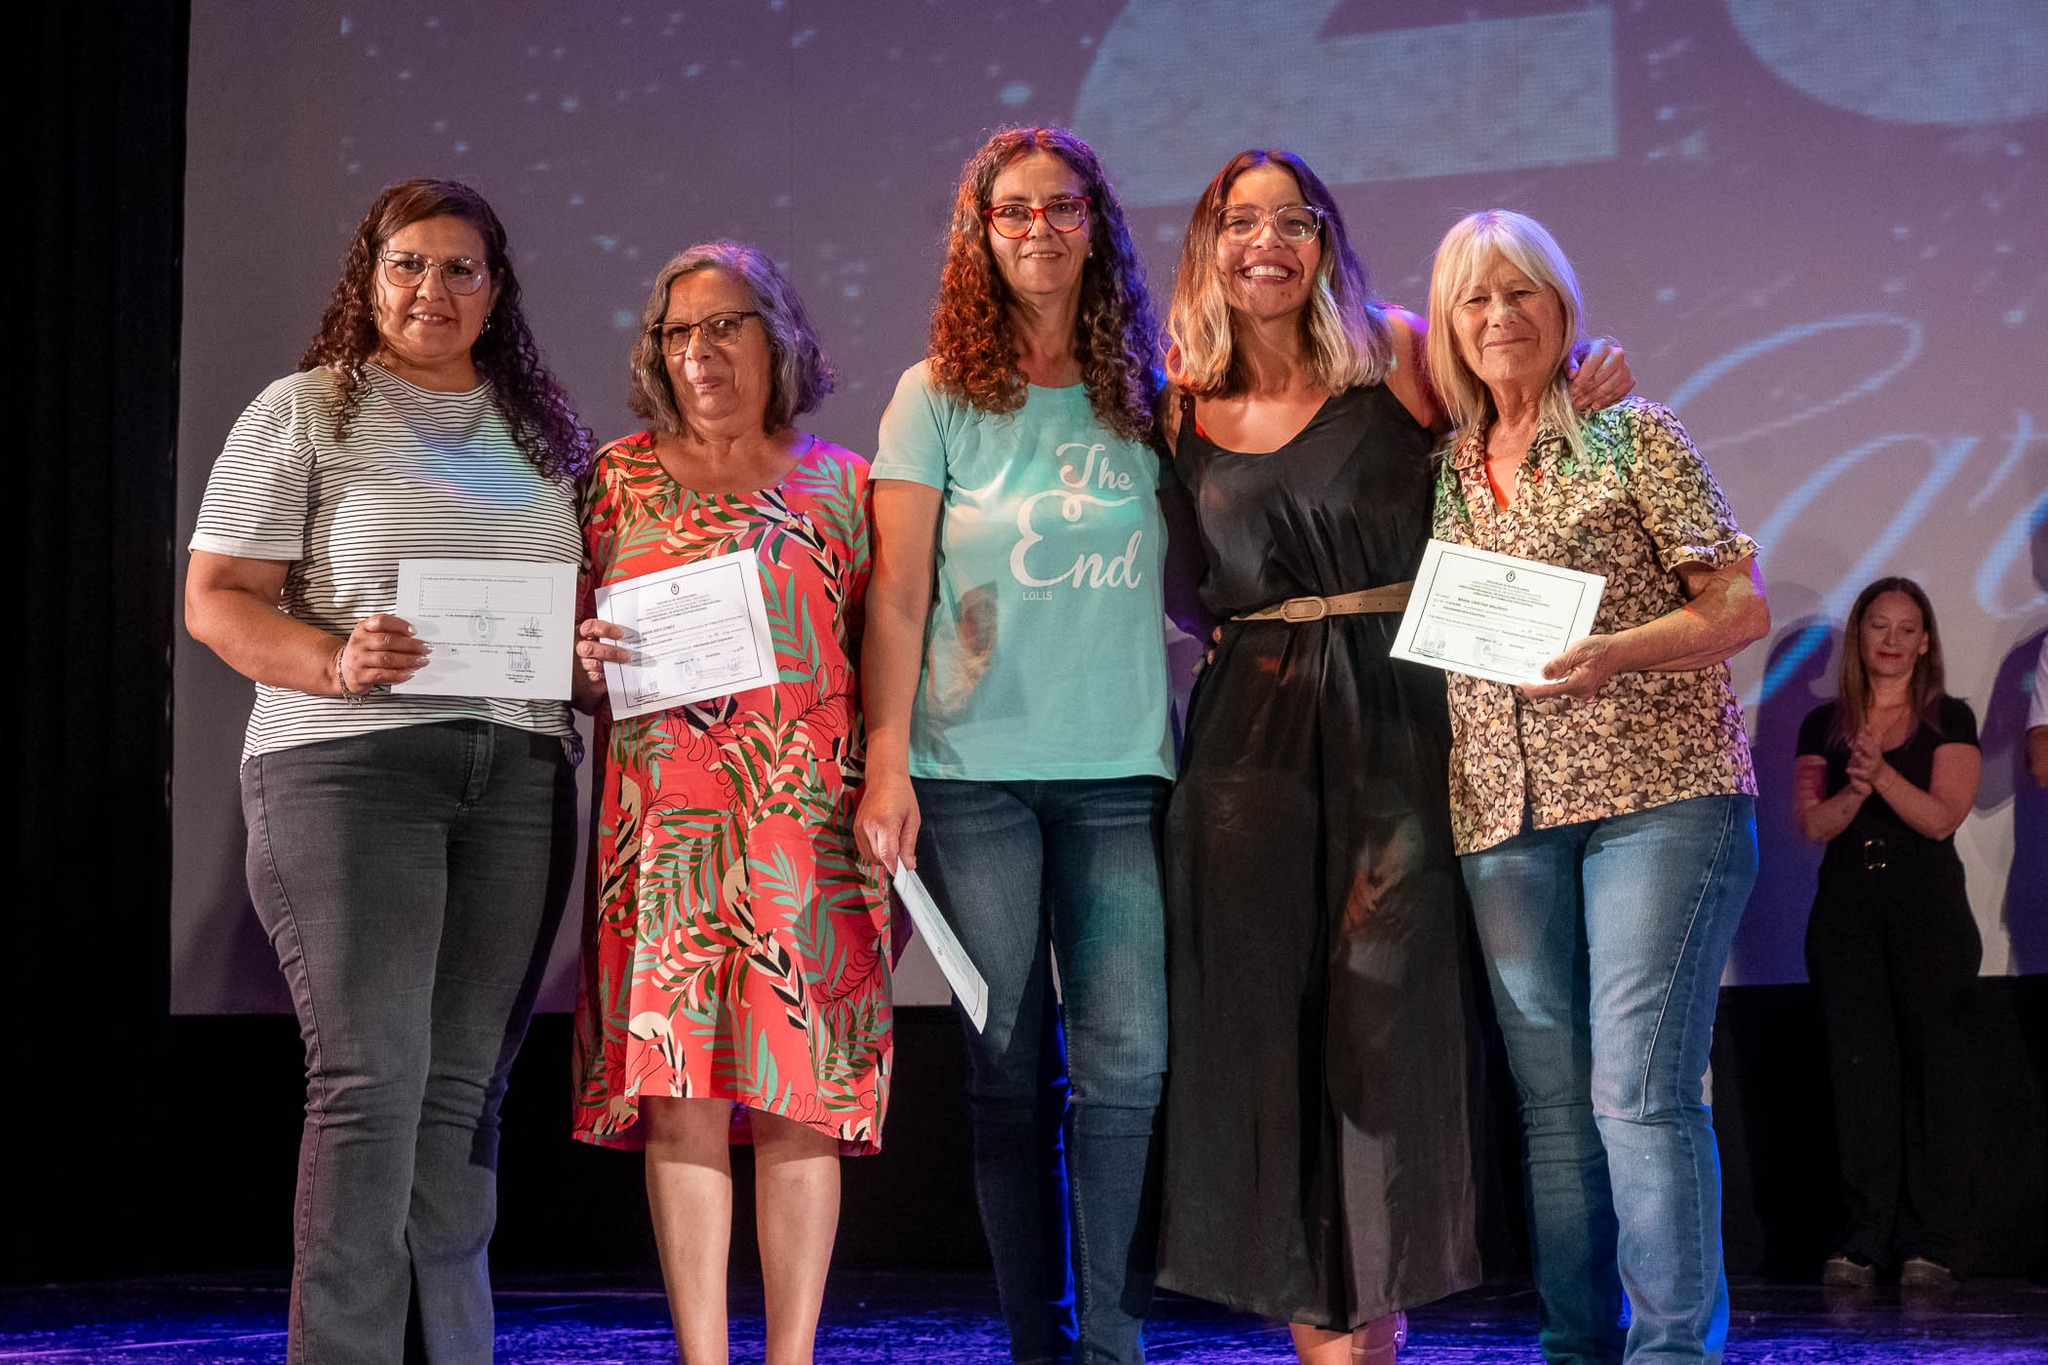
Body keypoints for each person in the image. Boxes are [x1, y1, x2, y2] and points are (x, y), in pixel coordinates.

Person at [1154, 154, 1631, 1365]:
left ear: (1325, 239)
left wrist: (1586, 382)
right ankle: (1324, 1339)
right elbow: (1183, 590)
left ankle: (1378, 1322)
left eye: (1292, 220)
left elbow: (1514, 422)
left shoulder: (1398, 353)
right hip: (1246, 753)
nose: (1267, 241)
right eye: (1240, 221)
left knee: (1387, 1029)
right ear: (1209, 245)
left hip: (1397, 724)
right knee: (1272, 1038)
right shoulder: (1175, 402)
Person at [185, 178, 591, 1362]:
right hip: (346, 771)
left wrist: (589, 663)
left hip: (519, 773)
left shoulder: (539, 430)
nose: (432, 289)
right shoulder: (307, 409)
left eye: (460, 268)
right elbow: (216, 598)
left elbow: (564, 619)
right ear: (368, 280)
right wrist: (334, 659)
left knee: (463, 1092)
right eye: (408, 264)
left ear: (496, 291)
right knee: (371, 1082)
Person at [854, 126, 1176, 1365]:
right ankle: (1038, 1345)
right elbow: (896, 596)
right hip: (967, 775)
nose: (1038, 228)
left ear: (1097, 225)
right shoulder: (933, 393)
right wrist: (887, 760)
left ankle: (1111, 1345)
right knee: (1004, 1069)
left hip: (1120, 773)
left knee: (1127, 1065)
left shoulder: (1152, 388)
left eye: (1062, 206)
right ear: (978, 234)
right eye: (1012, 211)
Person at [1425, 209, 1769, 1364]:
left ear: (1561, 306)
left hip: (1657, 797)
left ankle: (1669, 1350)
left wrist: (1617, 650)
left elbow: (1739, 606)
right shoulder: (1442, 471)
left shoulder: (1632, 433)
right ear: (1448, 326)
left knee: (1634, 1089)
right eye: (1473, 299)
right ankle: (1574, 1346)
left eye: (1519, 292)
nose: (1497, 316)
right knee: (1553, 1108)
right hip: (1501, 817)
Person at [570, 242, 890, 1365]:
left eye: (724, 326)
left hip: (808, 829)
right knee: (680, 1093)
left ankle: (790, 1356)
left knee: (801, 1097)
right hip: (665, 832)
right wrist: (583, 663)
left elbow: (886, 654)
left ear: (778, 336)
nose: (699, 351)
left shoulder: (844, 485)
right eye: (677, 332)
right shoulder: (613, 481)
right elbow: (571, 665)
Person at [1793, 577, 1982, 1290]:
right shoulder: (1823, 725)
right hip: (1847, 912)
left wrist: (1882, 776)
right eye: (1880, 626)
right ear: (1860, 635)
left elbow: (1941, 819)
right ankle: (1864, 1238)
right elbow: (1812, 824)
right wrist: (1856, 785)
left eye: (1907, 628)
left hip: (1928, 911)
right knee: (1860, 1076)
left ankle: (1930, 1242)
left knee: (1935, 1074)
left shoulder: (1950, 718)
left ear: (1926, 640)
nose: (1893, 641)